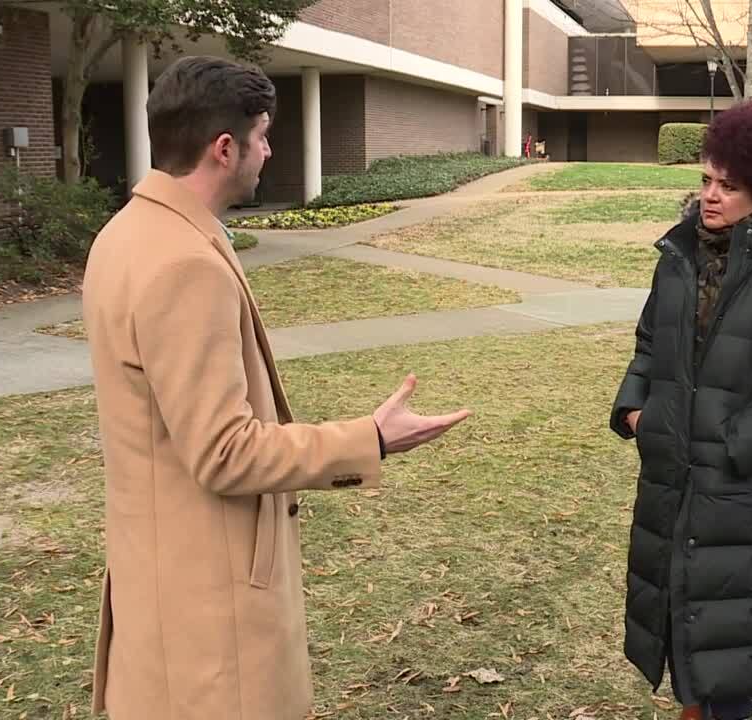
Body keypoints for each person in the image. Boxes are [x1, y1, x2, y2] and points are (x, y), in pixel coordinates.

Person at [81, 56, 471, 720]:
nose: (270, 150)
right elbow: (223, 453)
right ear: (224, 148)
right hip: (209, 620)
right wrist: (369, 439)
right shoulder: (182, 263)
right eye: (262, 135)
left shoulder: (126, 234)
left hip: (164, 591)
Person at [609, 102, 752, 720]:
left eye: (729, 186)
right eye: (707, 180)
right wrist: (637, 410)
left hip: (748, 488)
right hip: (672, 474)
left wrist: (736, 444)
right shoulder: (679, 255)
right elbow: (650, 345)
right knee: (684, 625)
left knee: (732, 646)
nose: (710, 196)